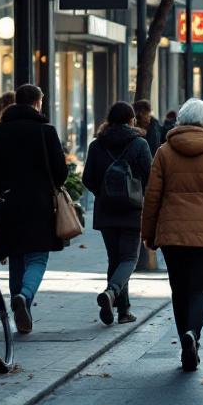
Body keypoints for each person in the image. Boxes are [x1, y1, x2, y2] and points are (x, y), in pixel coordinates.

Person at [141, 98, 203, 371]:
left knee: (179, 289)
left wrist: (148, 232)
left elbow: (152, 197)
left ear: (181, 120)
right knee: (199, 290)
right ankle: (193, 335)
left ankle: (183, 334)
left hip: (172, 234)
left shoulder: (164, 152)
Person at [0, 84, 67, 333]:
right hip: (39, 203)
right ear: (37, 103)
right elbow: (60, 171)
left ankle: (17, 302)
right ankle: (25, 297)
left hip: (8, 204)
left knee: (17, 256)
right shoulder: (45, 131)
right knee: (38, 256)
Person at [82, 101, 152, 325]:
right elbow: (150, 177)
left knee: (115, 259)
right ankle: (112, 293)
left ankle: (122, 311)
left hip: (106, 211)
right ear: (132, 120)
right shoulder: (139, 144)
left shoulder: (97, 145)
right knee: (129, 259)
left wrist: (104, 193)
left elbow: (87, 179)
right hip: (132, 210)